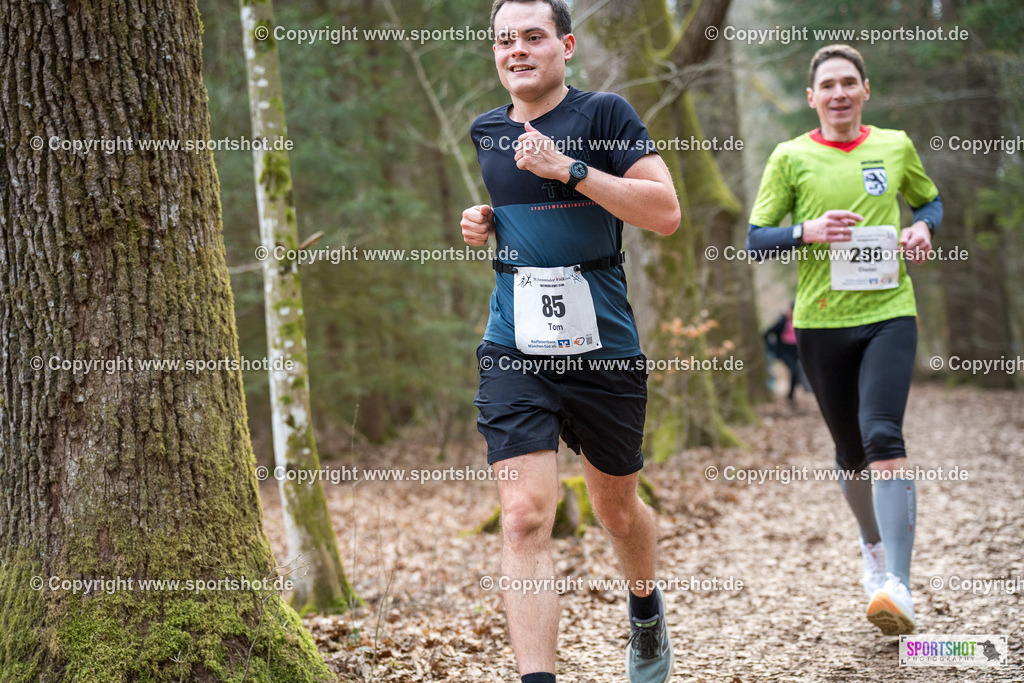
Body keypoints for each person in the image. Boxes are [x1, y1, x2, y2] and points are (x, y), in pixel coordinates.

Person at [461, 1, 680, 680]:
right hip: (515, 344)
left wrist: (572, 169)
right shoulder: (486, 129)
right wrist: (486, 221)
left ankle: (644, 608)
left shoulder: (605, 114)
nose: (517, 49)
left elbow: (665, 212)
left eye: (533, 36)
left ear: (567, 45)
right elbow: (529, 218)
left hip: (603, 348)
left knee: (617, 510)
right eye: (505, 40)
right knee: (525, 516)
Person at [746, 44, 942, 636]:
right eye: (826, 84)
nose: (837, 93)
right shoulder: (790, 157)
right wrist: (806, 230)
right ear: (813, 98)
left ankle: (899, 587)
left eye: (847, 83)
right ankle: (873, 547)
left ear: (864, 91)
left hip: (889, 312)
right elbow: (757, 238)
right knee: (851, 453)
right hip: (821, 323)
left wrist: (923, 227)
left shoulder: (894, 145)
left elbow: (928, 198)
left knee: (885, 434)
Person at [763, 301, 808, 404]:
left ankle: (792, 395)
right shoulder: (783, 320)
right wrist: (773, 347)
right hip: (785, 351)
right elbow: (768, 333)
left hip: (797, 351)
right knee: (794, 371)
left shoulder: (801, 320)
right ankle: (790, 396)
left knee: (797, 373)